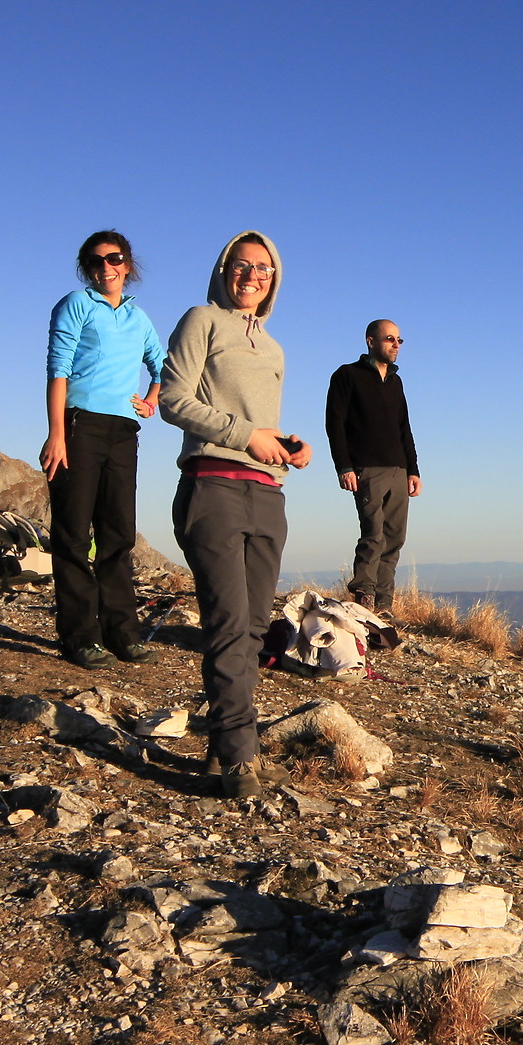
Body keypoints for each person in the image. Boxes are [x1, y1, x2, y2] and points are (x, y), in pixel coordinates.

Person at [158, 230, 312, 801]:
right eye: (242, 266)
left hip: (267, 493)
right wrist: (248, 436)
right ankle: (238, 756)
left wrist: (288, 447)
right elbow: (174, 400)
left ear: (275, 280)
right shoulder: (202, 320)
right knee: (227, 623)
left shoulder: (273, 349)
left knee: (252, 628)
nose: (253, 276)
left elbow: (258, 426)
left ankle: (226, 746)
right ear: (224, 268)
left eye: (264, 269)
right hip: (212, 486)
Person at [41, 230, 169, 670]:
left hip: (123, 431)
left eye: (113, 259)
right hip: (79, 425)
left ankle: (122, 634)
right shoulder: (76, 304)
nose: (105, 268)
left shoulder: (139, 318)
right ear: (87, 268)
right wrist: (56, 433)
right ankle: (80, 637)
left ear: (127, 265)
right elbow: (57, 370)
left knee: (118, 535)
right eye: (95, 262)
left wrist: (152, 397)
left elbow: (162, 362)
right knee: (74, 535)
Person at [324, 319, 420, 612]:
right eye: (390, 339)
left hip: (399, 469)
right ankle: (364, 594)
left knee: (394, 538)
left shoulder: (395, 381)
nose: (396, 345)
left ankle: (384, 604)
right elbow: (334, 424)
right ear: (370, 341)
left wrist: (413, 470)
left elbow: (404, 427)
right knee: (373, 533)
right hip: (366, 468)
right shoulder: (347, 375)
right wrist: (344, 466)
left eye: (399, 340)